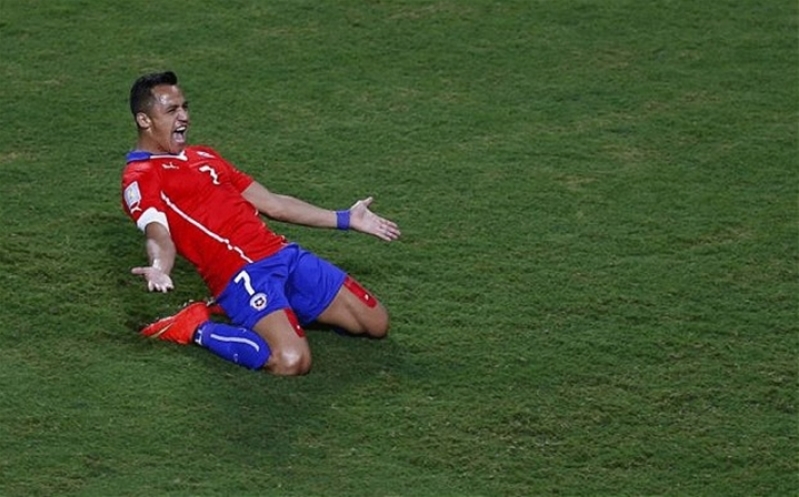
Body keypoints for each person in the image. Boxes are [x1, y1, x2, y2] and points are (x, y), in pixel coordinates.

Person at [121, 71, 400, 376]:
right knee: (291, 360)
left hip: (282, 254)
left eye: (185, 107)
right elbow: (157, 233)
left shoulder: (203, 155)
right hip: (240, 273)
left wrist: (345, 218)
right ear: (144, 120)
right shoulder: (141, 176)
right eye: (172, 110)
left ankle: (271, 310)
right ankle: (195, 327)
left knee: (375, 323)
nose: (184, 117)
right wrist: (160, 267)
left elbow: (273, 204)